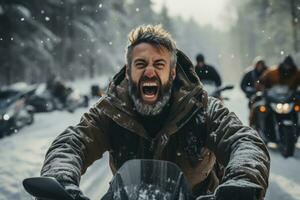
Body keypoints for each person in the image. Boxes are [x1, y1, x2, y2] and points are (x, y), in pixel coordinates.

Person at [40, 25, 269, 200]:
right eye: (140, 64)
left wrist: (242, 178)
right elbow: (74, 141)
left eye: (159, 64)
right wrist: (60, 176)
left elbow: (243, 140)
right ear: (129, 72)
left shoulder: (204, 109)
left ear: (171, 73)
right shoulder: (110, 111)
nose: (149, 71)